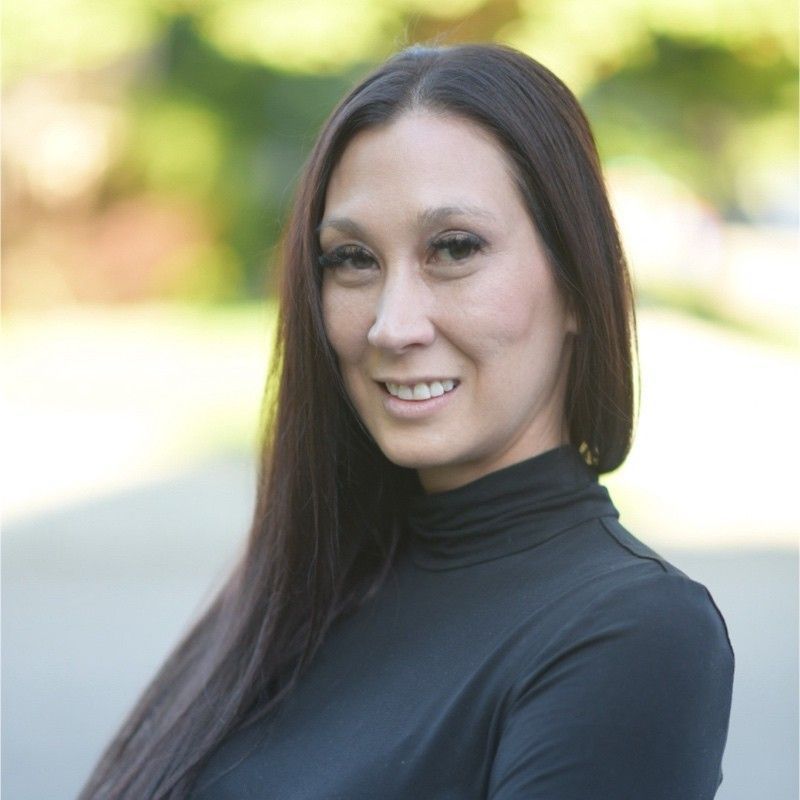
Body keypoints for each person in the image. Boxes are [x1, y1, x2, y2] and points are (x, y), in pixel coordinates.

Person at [80, 43, 734, 799]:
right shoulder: (308, 584)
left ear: (579, 283)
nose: (392, 326)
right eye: (353, 259)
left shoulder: (633, 633)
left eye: (454, 249)